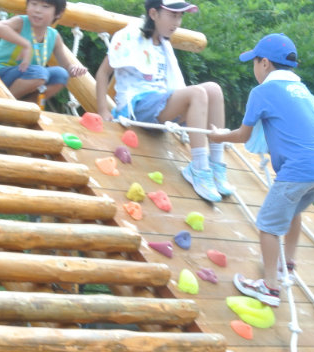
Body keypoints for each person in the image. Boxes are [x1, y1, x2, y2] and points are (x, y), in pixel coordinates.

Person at [209, 33, 314, 307]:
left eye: (254, 63)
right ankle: (286, 264)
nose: (254, 69)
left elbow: (244, 136)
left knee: (267, 225)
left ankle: (269, 287)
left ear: (264, 63)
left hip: (299, 169)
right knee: (292, 211)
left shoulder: (263, 91)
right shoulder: (306, 93)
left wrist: (218, 136)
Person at [95, 0, 232, 202]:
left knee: (214, 89)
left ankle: (216, 164)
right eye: (172, 15)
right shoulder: (130, 36)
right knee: (197, 93)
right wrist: (103, 111)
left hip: (159, 106)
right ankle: (199, 168)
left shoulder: (163, 44)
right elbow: (103, 73)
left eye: (180, 16)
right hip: (137, 106)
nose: (177, 22)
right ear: (153, 13)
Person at [0, 0, 87, 103]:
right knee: (39, 73)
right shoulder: (21, 22)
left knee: (60, 74)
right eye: (34, 4)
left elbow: (66, 67)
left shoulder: (54, 36)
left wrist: (75, 69)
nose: (37, 10)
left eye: (45, 6)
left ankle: (28, 105)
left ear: (58, 13)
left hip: (29, 77)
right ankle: (4, 102)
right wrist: (26, 44)